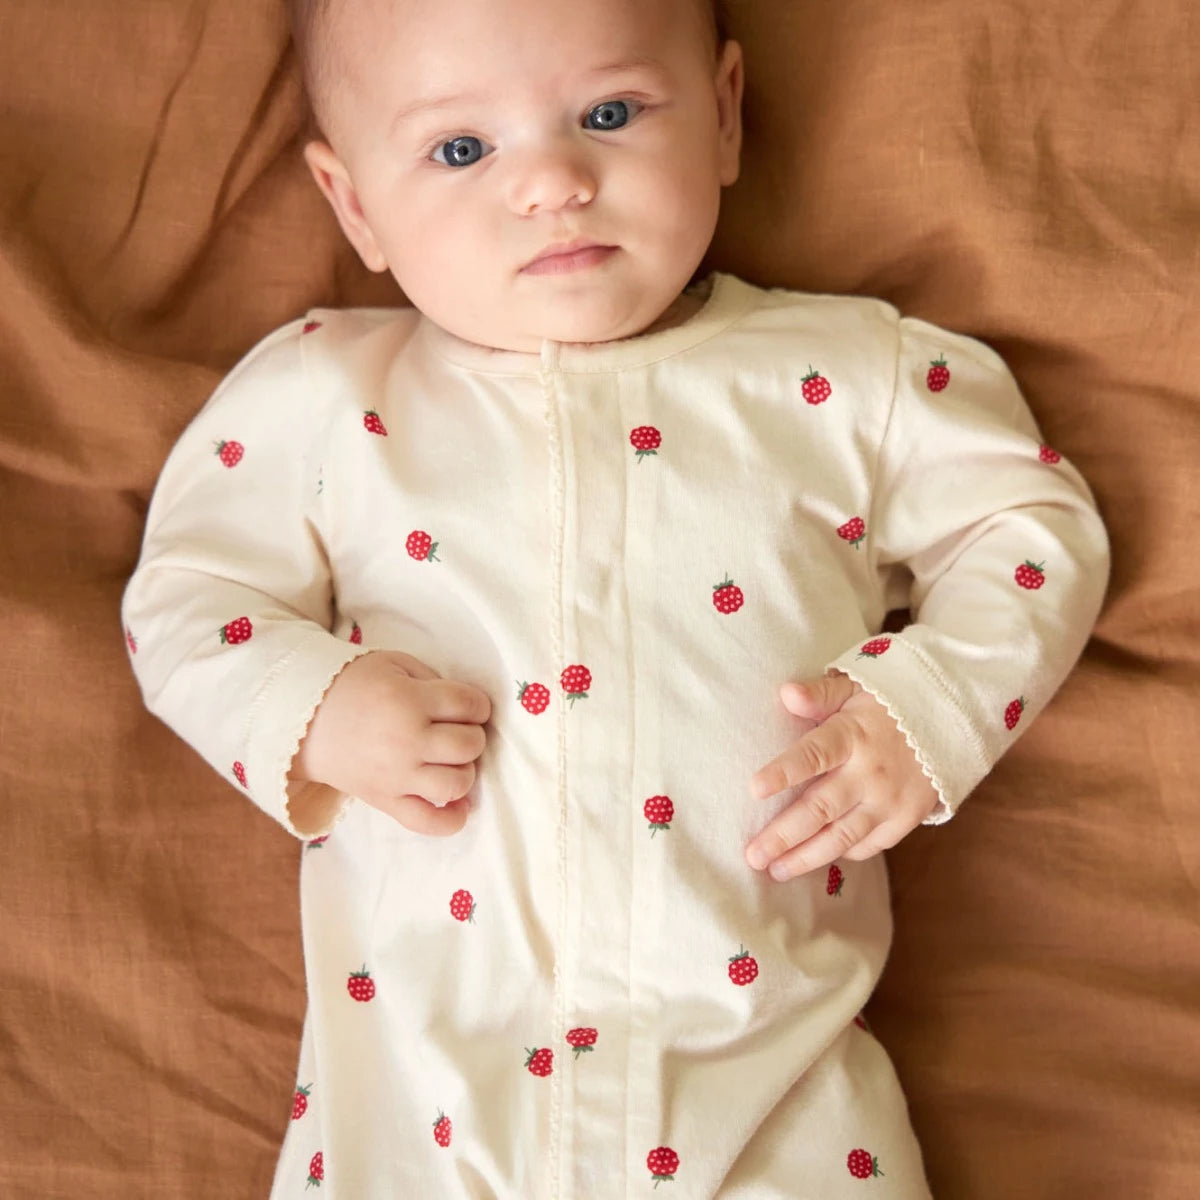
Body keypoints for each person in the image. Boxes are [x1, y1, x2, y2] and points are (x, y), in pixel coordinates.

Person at [121, 0, 1110, 1194]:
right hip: (421, 1111)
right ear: (354, 205)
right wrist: (314, 707)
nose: (550, 181)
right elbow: (186, 599)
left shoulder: (850, 378)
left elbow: (1030, 526)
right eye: (460, 149)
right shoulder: (325, 397)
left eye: (609, 113)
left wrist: (927, 707)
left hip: (770, 1098)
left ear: (726, 116)